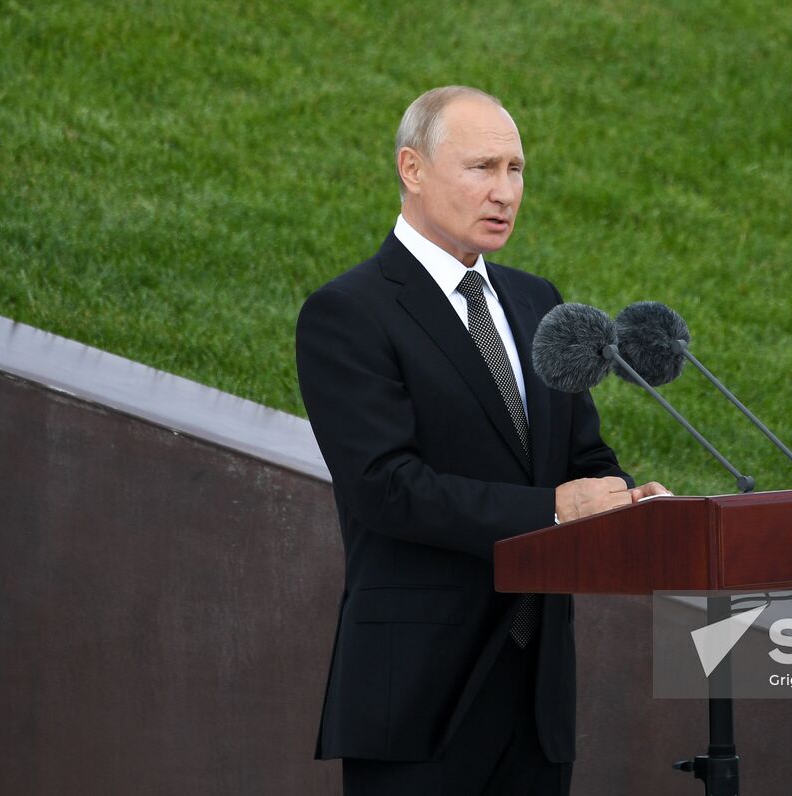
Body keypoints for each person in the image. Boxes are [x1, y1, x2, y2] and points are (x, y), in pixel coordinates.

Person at [295, 85, 668, 795]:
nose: (505, 192)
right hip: (418, 699)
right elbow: (386, 489)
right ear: (412, 169)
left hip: (537, 700)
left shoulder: (539, 303)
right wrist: (555, 512)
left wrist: (626, 500)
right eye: (482, 168)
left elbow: (581, 457)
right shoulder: (348, 313)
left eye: (517, 169)